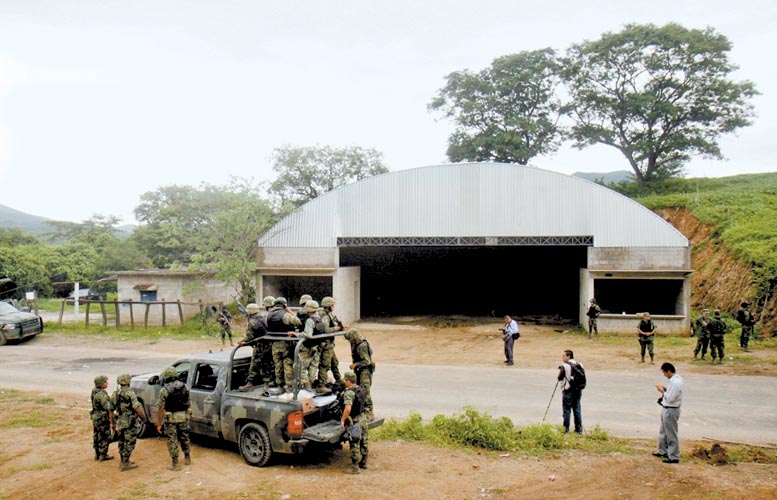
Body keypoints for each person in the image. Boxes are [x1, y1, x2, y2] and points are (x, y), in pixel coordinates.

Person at [156, 367, 192, 470]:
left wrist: (159, 424)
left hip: (170, 418)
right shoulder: (185, 386)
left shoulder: (164, 390)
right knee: (185, 436)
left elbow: (161, 408)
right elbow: (189, 402)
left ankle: (175, 463)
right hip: (183, 416)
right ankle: (187, 457)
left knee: (172, 439)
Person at [112, 373, 147, 471]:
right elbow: (137, 407)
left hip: (120, 421)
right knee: (130, 441)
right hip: (129, 421)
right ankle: (125, 463)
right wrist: (143, 418)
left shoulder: (116, 394)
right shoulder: (130, 393)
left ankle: (123, 460)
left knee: (121, 441)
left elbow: (110, 409)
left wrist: (112, 422)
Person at [266, 297, 302, 392]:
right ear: (284, 305)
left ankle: (279, 385)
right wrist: (289, 311)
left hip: (274, 343)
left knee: (278, 365)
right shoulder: (286, 315)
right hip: (286, 343)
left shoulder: (269, 315)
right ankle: (289, 387)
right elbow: (298, 322)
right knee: (287, 365)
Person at [239, 303, 273, 392]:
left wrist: (242, 340)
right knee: (267, 364)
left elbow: (250, 337)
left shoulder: (252, 322)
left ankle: (249, 384)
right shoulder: (265, 319)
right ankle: (266, 384)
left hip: (260, 346)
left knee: (254, 365)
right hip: (269, 345)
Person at [653, 362, 683, 464]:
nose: (664, 374)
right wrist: (666, 390)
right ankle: (663, 451)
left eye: (664, 372)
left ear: (668, 371)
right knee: (664, 432)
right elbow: (671, 393)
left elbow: (671, 398)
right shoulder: (673, 381)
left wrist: (662, 391)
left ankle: (674, 456)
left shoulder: (676, 382)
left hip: (671, 409)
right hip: (667, 408)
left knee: (671, 433)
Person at [340, 371, 368, 474]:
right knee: (364, 440)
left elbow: (347, 409)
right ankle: (364, 461)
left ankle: (355, 467)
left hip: (354, 420)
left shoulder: (349, 393)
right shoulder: (361, 390)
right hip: (362, 417)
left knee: (354, 441)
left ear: (348, 381)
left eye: (345, 380)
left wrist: (343, 419)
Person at [299, 300, 329, 393]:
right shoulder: (320, 319)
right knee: (313, 367)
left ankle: (306, 383)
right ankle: (310, 384)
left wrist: (296, 334)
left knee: (300, 366)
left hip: (308, 347)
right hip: (317, 347)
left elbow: (308, 335)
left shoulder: (309, 320)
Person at [344, 329, 375, 420]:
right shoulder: (358, 343)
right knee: (359, 390)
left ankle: (370, 412)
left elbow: (367, 361)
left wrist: (356, 365)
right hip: (360, 371)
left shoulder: (362, 346)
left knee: (365, 391)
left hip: (364, 371)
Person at [318, 296, 345, 389]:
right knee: (325, 365)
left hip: (329, 344)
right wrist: (336, 328)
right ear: (328, 306)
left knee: (334, 363)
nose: (333, 307)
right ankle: (321, 385)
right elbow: (326, 329)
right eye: (332, 305)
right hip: (326, 344)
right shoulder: (324, 316)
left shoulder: (328, 314)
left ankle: (339, 380)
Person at [557, 350, 584, 434]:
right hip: (578, 390)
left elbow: (559, 378)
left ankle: (565, 429)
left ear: (568, 356)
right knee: (577, 409)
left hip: (568, 390)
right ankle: (578, 429)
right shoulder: (579, 364)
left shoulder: (564, 366)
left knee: (567, 410)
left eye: (563, 356)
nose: (562, 357)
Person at [90, 374, 115, 461]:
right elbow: (108, 407)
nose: (107, 383)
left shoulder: (94, 391)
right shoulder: (101, 395)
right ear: (101, 384)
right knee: (104, 436)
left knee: (97, 435)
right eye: (105, 382)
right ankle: (103, 455)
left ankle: (97, 454)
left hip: (95, 417)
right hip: (102, 419)